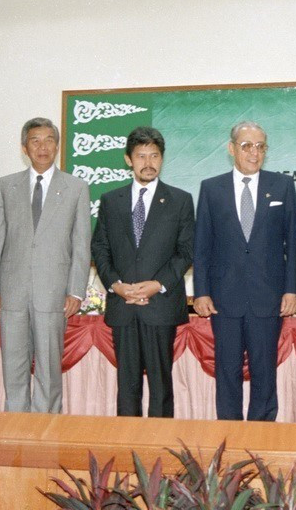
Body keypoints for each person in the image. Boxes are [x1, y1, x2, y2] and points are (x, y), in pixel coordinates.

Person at [193, 121, 296, 421]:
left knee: (265, 370)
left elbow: (294, 242)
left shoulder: (282, 186)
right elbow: (201, 246)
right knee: (226, 370)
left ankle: (262, 438)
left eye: (260, 146)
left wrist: (291, 289)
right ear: (231, 149)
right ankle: (229, 436)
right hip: (224, 298)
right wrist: (201, 292)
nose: (254, 152)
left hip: (269, 297)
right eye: (247, 146)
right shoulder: (211, 188)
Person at [0, 117, 91, 413]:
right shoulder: (6, 185)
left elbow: (81, 243)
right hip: (12, 292)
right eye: (35, 141)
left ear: (57, 146)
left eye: (48, 140)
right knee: (14, 368)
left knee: (48, 369)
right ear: (24, 147)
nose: (42, 147)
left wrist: (76, 291)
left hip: (54, 293)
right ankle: (16, 429)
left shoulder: (76, 187)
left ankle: (48, 429)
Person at [91, 127, 194, 417]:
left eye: (155, 156)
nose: (148, 162)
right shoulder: (111, 200)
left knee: (161, 386)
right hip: (123, 305)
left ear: (162, 159)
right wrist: (116, 285)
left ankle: (160, 453)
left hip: (159, 306)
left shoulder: (180, 200)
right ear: (128, 160)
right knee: (127, 386)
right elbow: (100, 248)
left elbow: (186, 251)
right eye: (141, 156)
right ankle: (128, 452)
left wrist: (157, 284)